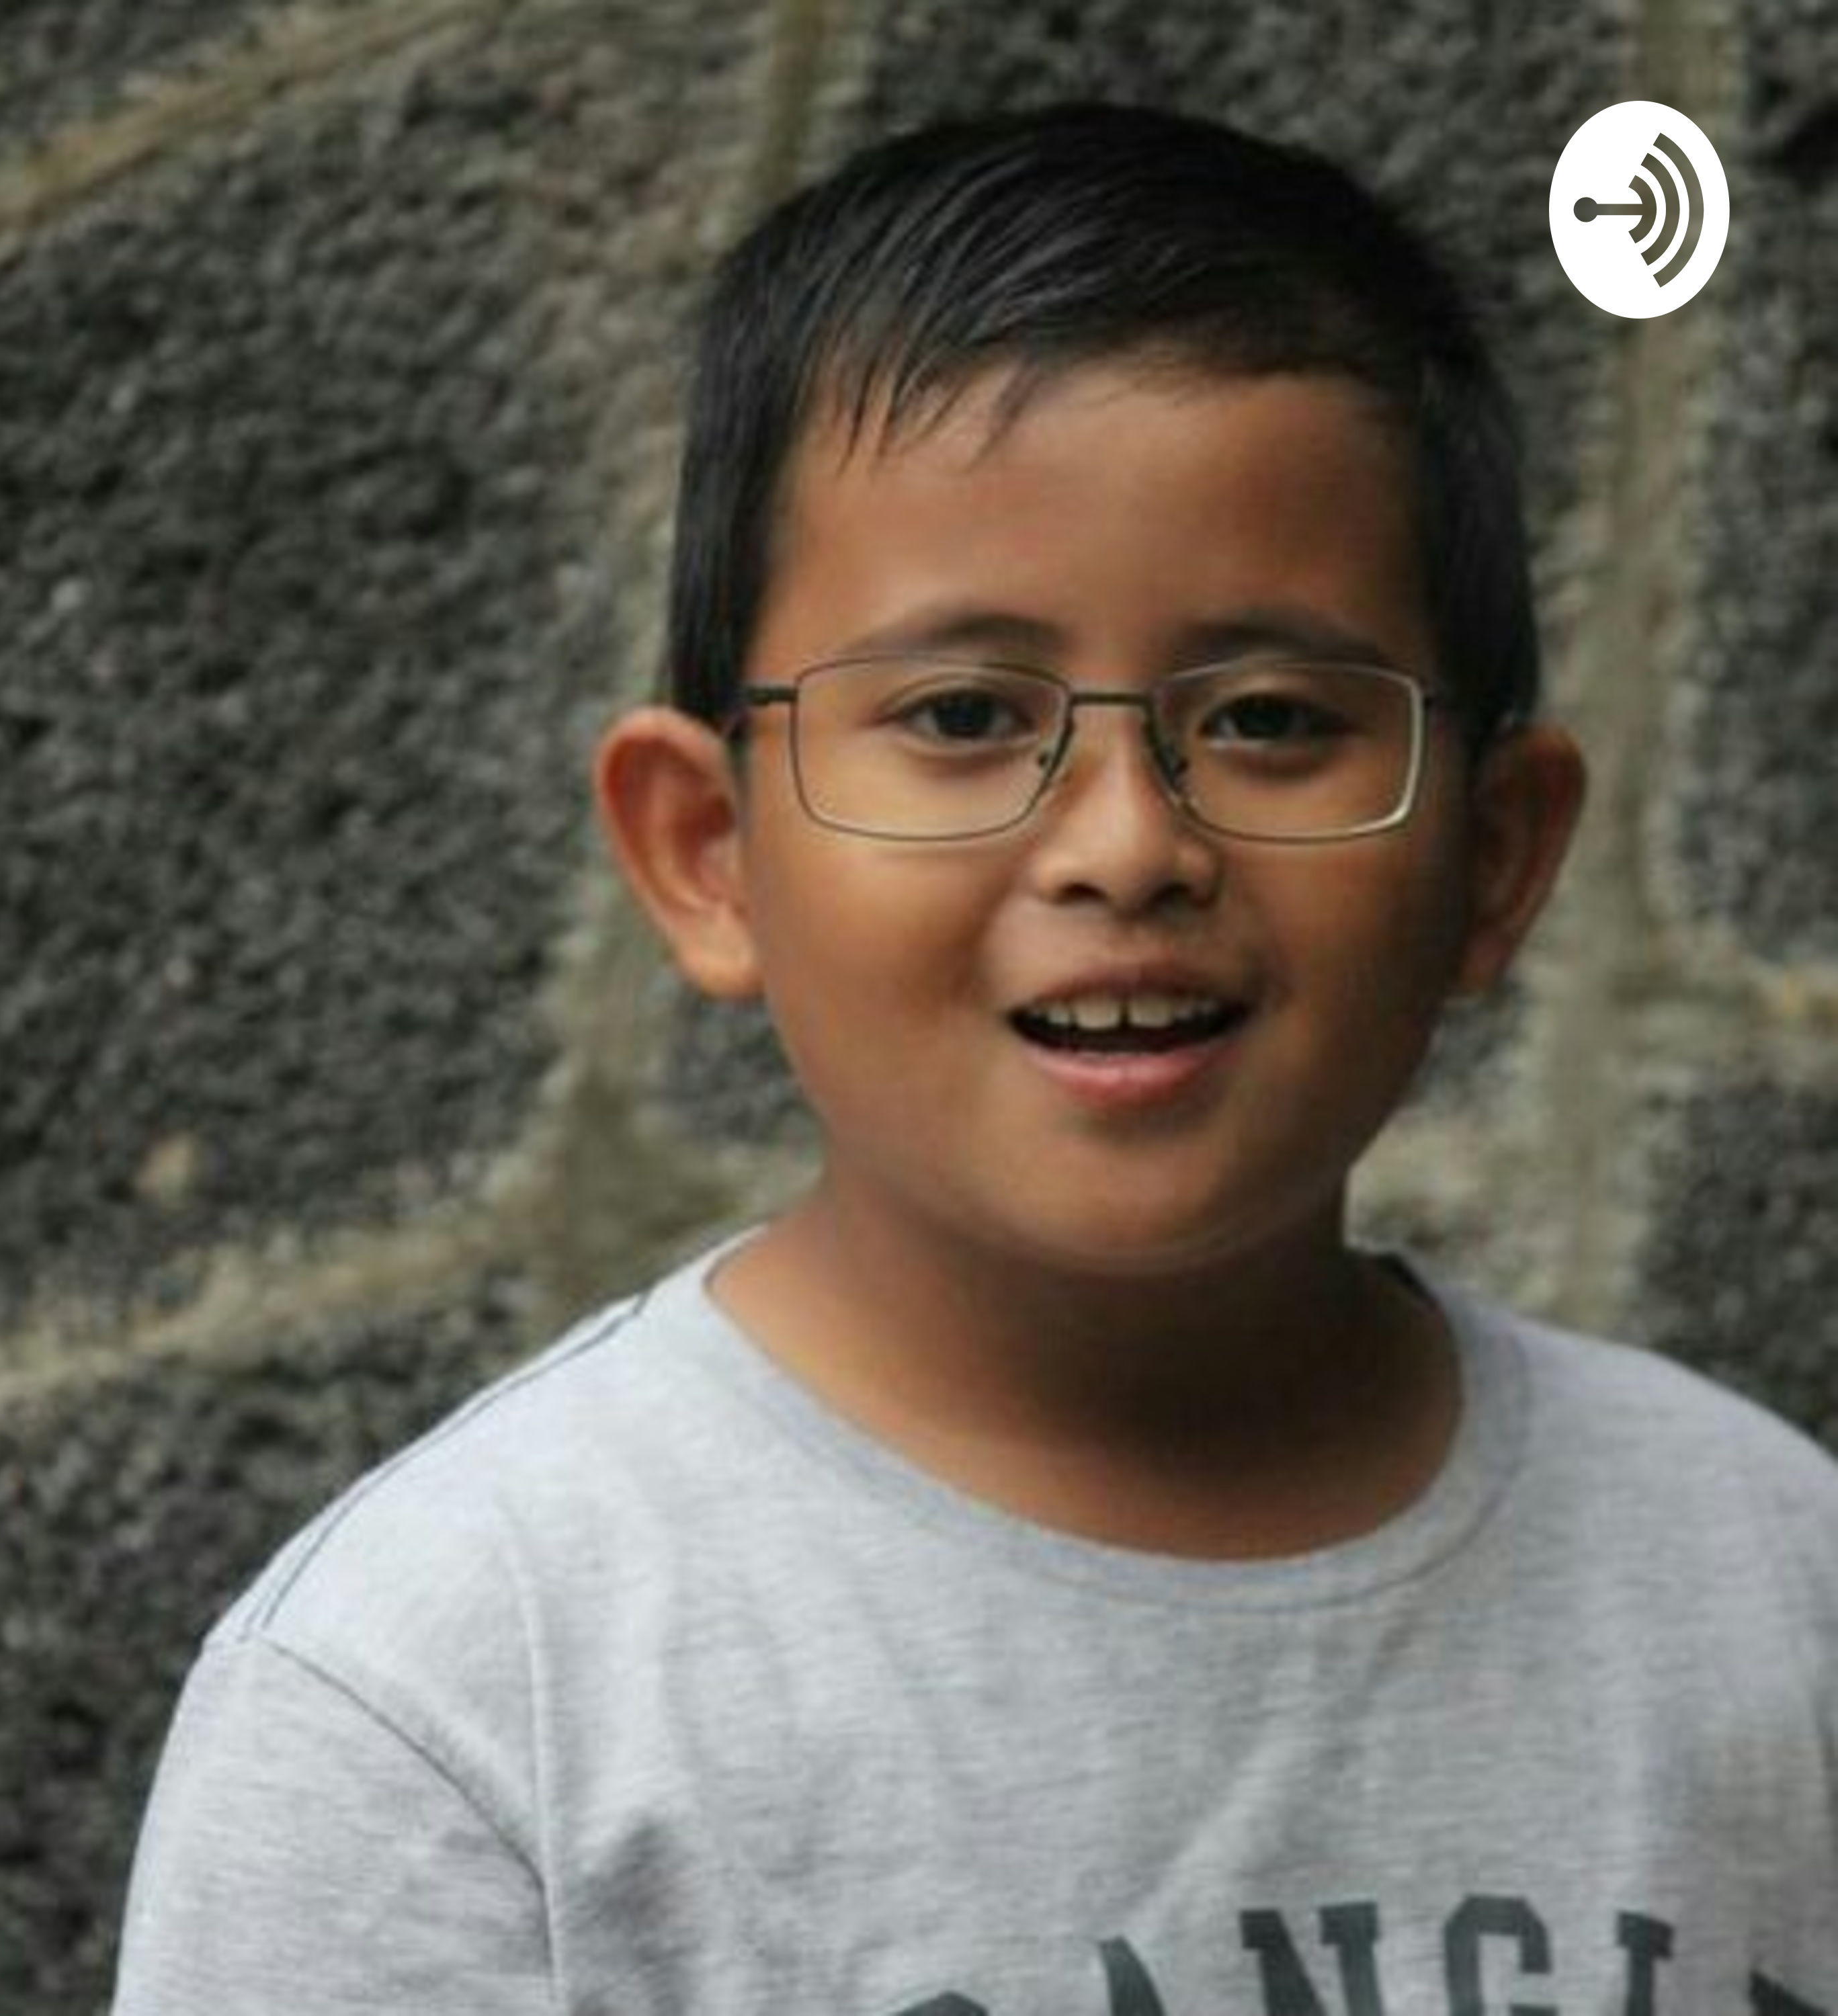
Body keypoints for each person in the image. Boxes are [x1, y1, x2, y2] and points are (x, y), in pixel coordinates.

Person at [112, 103, 1838, 2014]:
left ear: (1495, 859)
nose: (1128, 844)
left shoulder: (1771, 1584)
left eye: (1272, 718)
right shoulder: (454, 1702)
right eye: (958, 714)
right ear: (709, 853)